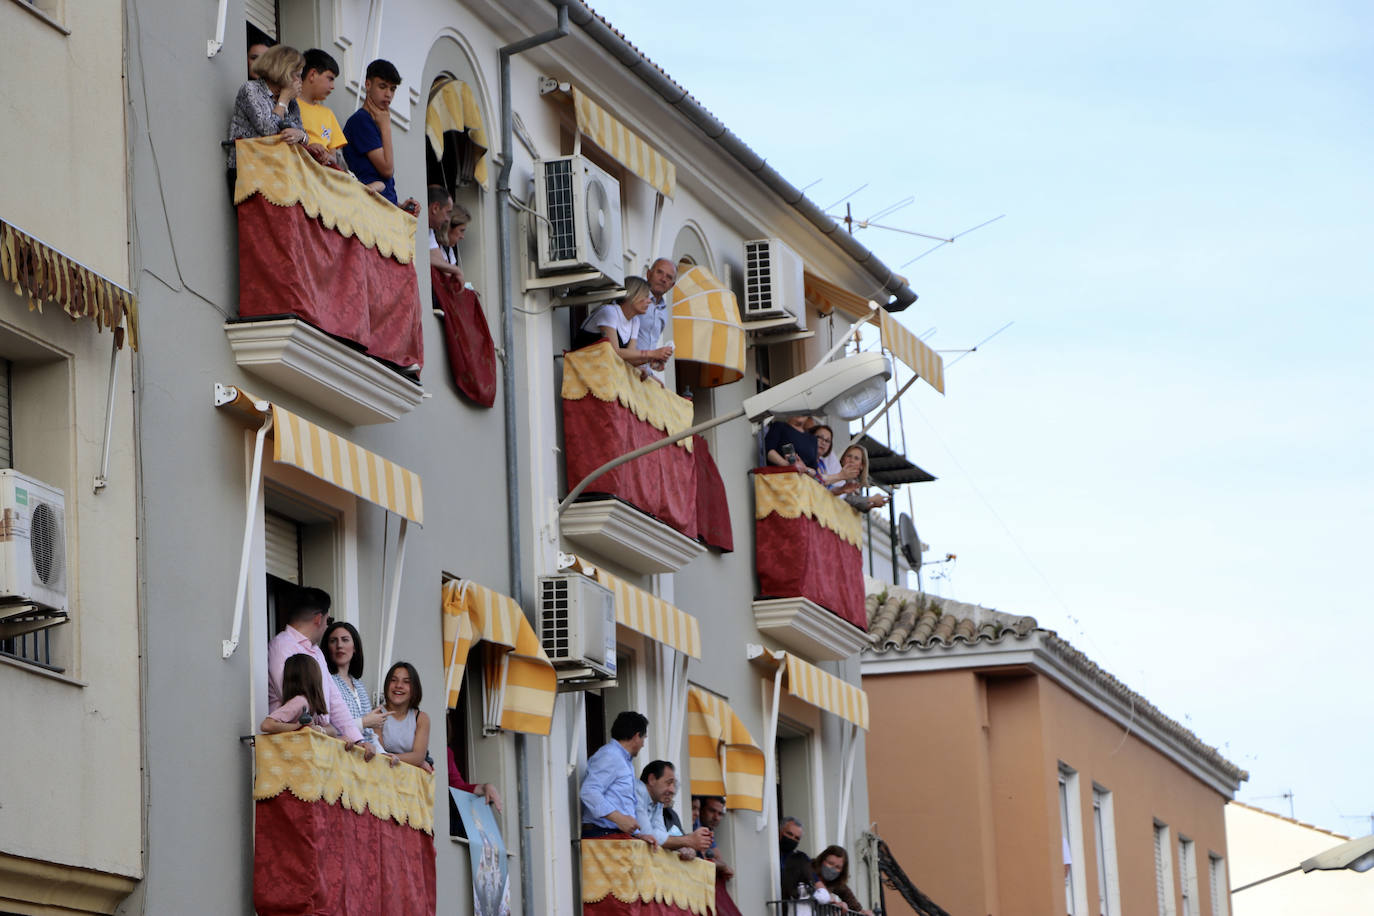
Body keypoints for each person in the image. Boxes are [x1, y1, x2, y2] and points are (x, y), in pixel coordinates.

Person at [265, 588, 364, 747]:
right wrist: (324, 729)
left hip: (314, 739)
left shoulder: (316, 651)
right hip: (292, 744)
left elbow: (334, 698)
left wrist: (357, 739)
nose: (326, 627)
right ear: (319, 619)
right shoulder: (282, 645)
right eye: (328, 620)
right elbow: (292, 698)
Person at [226, 44, 308, 196]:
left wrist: (300, 136)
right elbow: (268, 129)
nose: (300, 81)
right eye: (296, 75)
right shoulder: (250, 89)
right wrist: (283, 99)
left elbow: (303, 134)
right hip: (249, 171)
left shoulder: (292, 101)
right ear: (282, 71)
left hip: (279, 171)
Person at [343, 59, 413, 208]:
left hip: (384, 206)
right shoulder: (361, 121)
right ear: (368, 85)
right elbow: (387, 170)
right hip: (372, 208)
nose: (388, 94)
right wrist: (386, 127)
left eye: (393, 89)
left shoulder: (374, 121)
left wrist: (400, 206)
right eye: (382, 87)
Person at [580, 711, 655, 844]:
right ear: (637, 736)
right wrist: (619, 819)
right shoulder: (610, 755)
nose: (643, 744)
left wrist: (638, 834)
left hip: (612, 835)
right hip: (602, 835)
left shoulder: (622, 759)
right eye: (644, 738)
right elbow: (589, 791)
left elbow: (622, 804)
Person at [573, 277, 673, 370]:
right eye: (646, 296)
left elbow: (629, 359)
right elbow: (615, 352)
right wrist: (652, 354)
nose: (649, 301)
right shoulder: (609, 312)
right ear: (632, 294)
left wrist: (651, 360)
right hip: (581, 370)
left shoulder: (635, 321)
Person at [322, 620, 386, 750]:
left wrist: (384, 755)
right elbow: (326, 729)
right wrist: (364, 722)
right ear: (327, 648)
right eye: (333, 641)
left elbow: (370, 735)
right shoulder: (326, 681)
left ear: (355, 647)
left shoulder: (359, 685)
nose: (339, 645)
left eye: (345, 640)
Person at [637, 761, 712, 859]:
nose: (672, 790)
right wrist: (689, 840)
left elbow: (660, 833)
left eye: (673, 785)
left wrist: (683, 846)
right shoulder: (637, 792)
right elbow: (648, 835)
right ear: (652, 779)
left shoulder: (658, 802)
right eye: (668, 783)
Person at [259, 654, 339, 736]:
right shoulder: (300, 702)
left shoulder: (311, 704)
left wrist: (316, 729)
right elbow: (266, 725)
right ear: (314, 678)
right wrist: (298, 727)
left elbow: (333, 731)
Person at [379, 661, 434, 772]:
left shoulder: (421, 718)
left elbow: (418, 756)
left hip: (409, 782)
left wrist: (398, 758)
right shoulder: (377, 714)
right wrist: (413, 761)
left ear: (415, 688)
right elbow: (380, 754)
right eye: (393, 680)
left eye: (406, 682)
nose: (398, 685)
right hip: (383, 776)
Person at [297, 49, 347, 168]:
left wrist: (327, 157)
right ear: (313, 75)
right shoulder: (290, 104)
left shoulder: (328, 114)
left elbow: (334, 156)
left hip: (325, 171)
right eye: (330, 78)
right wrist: (309, 146)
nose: (333, 86)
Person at [636, 258, 677, 372]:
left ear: (672, 285)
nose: (663, 279)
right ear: (649, 274)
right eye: (659, 272)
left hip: (644, 374)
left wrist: (655, 361)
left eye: (669, 277)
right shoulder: (635, 297)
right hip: (626, 368)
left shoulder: (664, 312)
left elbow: (648, 343)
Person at [812, 845, 873, 915]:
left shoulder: (836, 882)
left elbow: (849, 898)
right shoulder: (807, 869)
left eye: (838, 867)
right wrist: (833, 902)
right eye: (830, 863)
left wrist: (862, 912)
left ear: (842, 871)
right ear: (822, 860)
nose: (832, 869)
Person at [780, 815, 830, 901]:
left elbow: (818, 884)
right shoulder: (769, 853)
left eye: (797, 838)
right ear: (780, 831)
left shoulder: (801, 859)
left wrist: (829, 899)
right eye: (789, 834)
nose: (792, 839)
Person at [834, 444, 890, 512]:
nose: (851, 460)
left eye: (856, 458)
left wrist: (873, 505)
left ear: (862, 465)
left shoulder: (857, 481)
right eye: (849, 456)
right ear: (843, 459)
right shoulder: (835, 473)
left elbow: (858, 504)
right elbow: (846, 498)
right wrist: (871, 499)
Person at [427, 185, 463, 280]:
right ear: (435, 208)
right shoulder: (416, 221)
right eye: (447, 212)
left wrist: (454, 270)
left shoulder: (429, 229)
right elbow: (423, 256)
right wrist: (456, 270)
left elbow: (437, 260)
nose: (447, 219)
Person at [694, 795, 735, 880]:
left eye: (720, 814)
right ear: (701, 809)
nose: (716, 817)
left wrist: (722, 866)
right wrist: (723, 867)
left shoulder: (708, 830)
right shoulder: (695, 826)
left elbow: (718, 858)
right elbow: (705, 860)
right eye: (712, 811)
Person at [812, 424, 859, 490]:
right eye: (820, 438)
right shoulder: (805, 457)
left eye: (827, 441)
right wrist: (841, 475)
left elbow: (828, 488)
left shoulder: (822, 463)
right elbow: (818, 479)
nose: (823, 443)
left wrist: (842, 489)